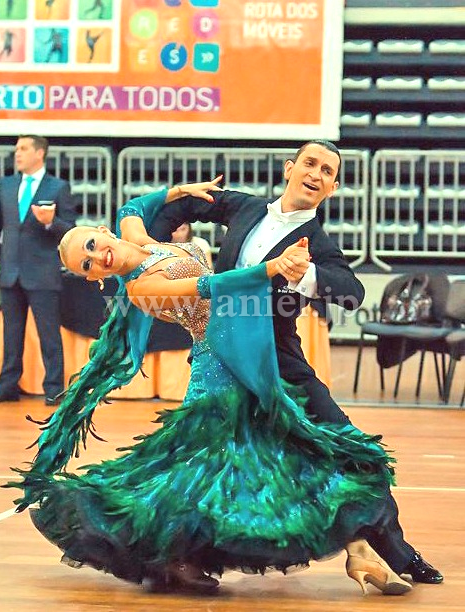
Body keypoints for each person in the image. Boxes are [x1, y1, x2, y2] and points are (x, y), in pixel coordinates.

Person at [6, 182, 413, 597]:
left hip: (245, 354)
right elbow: (212, 288)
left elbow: (133, 206)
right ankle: (175, 553)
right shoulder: (140, 289)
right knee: (218, 472)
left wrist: (178, 191)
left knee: (287, 454)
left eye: (91, 246)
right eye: (87, 264)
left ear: (102, 231)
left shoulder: (137, 237)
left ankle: (358, 551)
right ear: (93, 279)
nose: (97, 257)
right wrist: (273, 268)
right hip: (220, 369)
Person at [148, 140, 443, 586]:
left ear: (333, 187)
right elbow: (184, 205)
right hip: (222, 355)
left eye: (327, 171)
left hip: (279, 358)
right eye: (310, 163)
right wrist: (154, 245)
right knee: (206, 458)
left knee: (353, 450)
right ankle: (178, 555)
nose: (315, 174)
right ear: (290, 168)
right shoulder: (244, 207)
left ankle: (398, 554)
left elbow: (352, 292)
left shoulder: (318, 243)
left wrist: (306, 275)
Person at [0, 135, 77, 405]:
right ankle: (7, 386)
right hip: (10, 271)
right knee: (11, 335)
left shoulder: (58, 187)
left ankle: (54, 389)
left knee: (49, 335)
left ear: (39, 153)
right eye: (16, 149)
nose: (17, 153)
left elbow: (70, 231)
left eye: (23, 148)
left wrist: (51, 222)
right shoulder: (6, 185)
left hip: (43, 273)